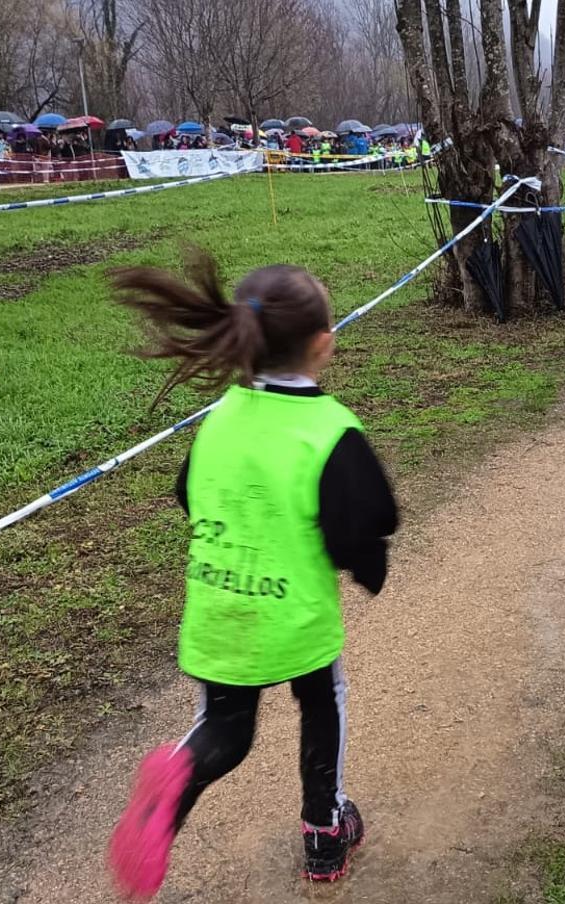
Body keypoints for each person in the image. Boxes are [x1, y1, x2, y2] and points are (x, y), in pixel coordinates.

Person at [106, 250, 398, 898]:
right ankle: (325, 833)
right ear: (323, 345)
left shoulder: (218, 419)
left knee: (227, 731)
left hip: (220, 611)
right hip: (296, 620)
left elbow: (189, 494)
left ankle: (177, 778)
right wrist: (369, 567)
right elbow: (365, 525)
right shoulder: (328, 429)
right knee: (322, 703)